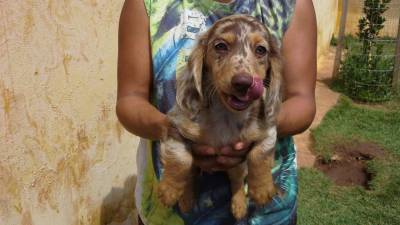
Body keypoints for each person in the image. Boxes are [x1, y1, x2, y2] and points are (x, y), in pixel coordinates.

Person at [116, 0, 316, 224]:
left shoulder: (292, 4)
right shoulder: (147, 4)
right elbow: (129, 99)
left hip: (265, 216)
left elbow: (302, 100)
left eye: (260, 51)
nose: (242, 74)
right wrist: (172, 130)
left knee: (241, 175)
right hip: (168, 216)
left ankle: (239, 189)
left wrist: (260, 129)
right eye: (221, 47)